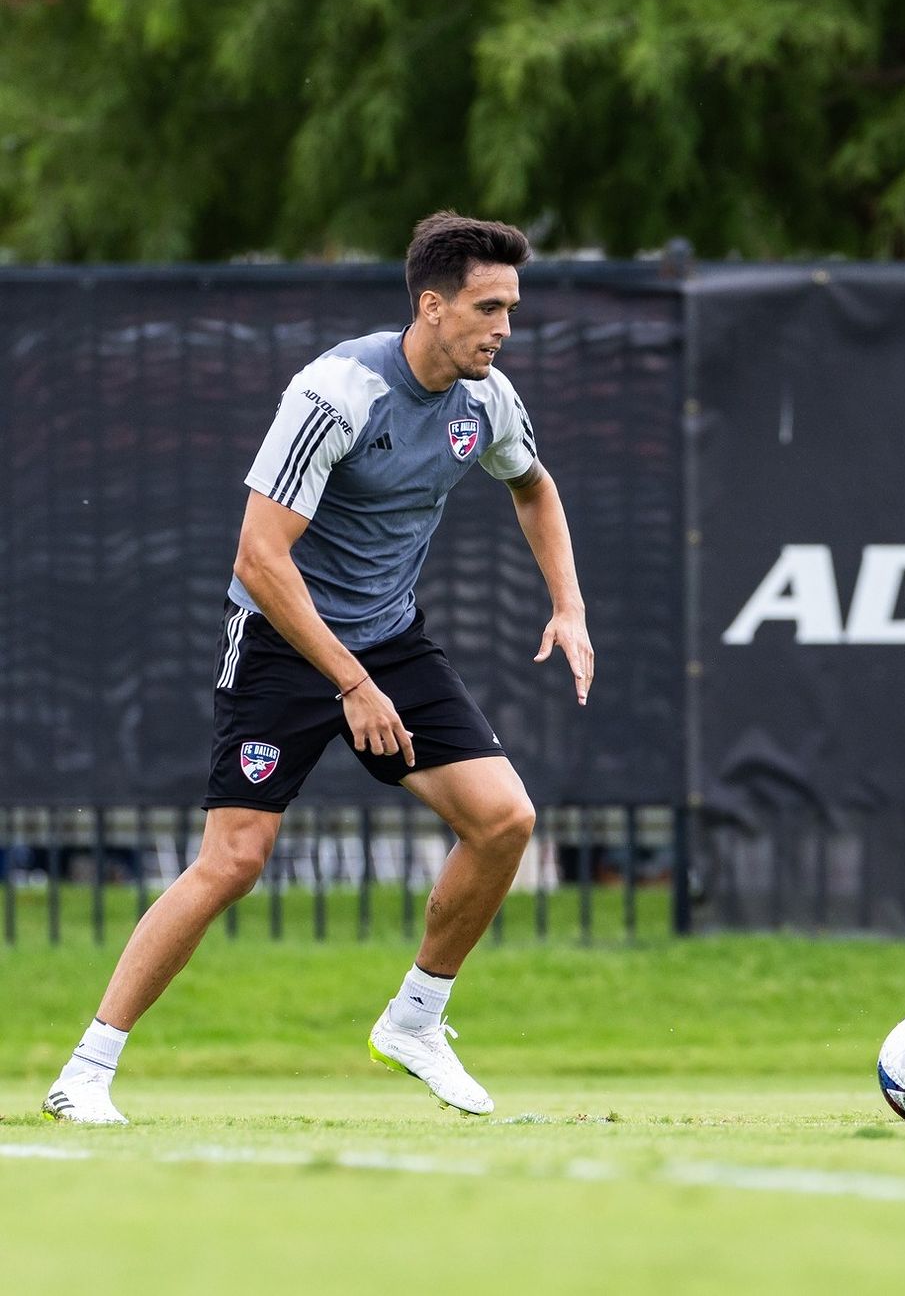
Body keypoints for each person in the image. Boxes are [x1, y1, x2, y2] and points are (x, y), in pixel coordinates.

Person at [43, 212, 593, 1124]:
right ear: (431, 305)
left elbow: (532, 484)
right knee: (234, 861)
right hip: (282, 640)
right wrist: (350, 682)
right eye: (488, 307)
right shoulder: (337, 392)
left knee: (504, 821)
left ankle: (414, 1022)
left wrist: (567, 604)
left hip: (389, 638)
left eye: (512, 309)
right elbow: (260, 555)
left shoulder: (486, 399)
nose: (504, 327)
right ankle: (87, 1071)